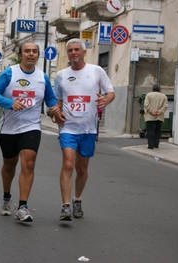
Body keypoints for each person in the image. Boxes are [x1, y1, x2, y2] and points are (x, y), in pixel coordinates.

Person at [0, 42, 62, 222]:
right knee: (9, 165)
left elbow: (50, 99)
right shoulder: (9, 73)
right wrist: (10, 103)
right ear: (21, 54)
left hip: (31, 127)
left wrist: (55, 110)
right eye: (27, 51)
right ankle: (6, 198)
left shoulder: (42, 77)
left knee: (28, 163)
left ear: (38, 55)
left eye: (34, 51)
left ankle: (23, 206)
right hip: (8, 128)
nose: (31, 54)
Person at [53, 38, 115, 221]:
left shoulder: (96, 71)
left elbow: (110, 92)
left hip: (88, 129)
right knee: (68, 164)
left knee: (82, 169)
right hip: (68, 128)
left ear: (84, 52)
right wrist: (56, 114)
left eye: (76, 50)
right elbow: (58, 101)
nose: (73, 53)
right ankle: (65, 206)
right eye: (70, 50)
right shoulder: (61, 75)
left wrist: (106, 100)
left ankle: (77, 200)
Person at [144, 83, 168, 149]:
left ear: (152, 89)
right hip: (159, 116)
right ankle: (156, 144)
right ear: (159, 89)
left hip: (150, 116)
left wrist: (152, 111)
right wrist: (160, 111)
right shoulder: (164, 96)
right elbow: (165, 106)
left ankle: (151, 145)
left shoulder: (148, 95)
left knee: (150, 130)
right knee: (158, 130)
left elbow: (146, 105)